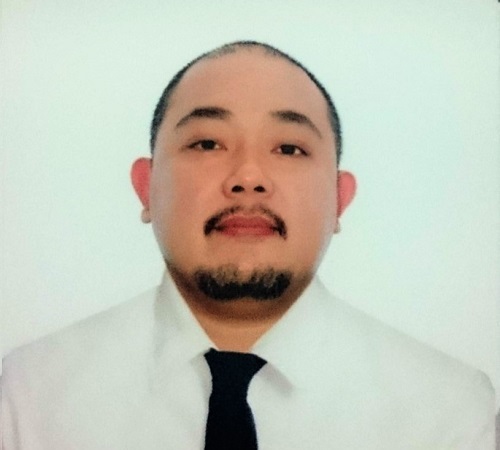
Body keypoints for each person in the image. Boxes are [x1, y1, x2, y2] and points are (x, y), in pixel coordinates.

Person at [1, 41, 494, 449]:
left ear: (339, 199)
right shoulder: (25, 398)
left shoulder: (450, 413)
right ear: (146, 187)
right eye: (207, 143)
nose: (249, 176)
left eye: (289, 148)